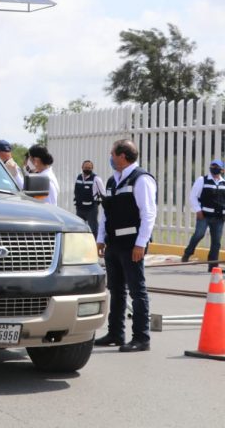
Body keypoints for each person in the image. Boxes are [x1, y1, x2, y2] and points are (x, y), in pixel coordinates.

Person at [95, 139, 157, 352]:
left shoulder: (141, 179)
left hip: (132, 245)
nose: (110, 157)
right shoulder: (113, 181)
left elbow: (148, 214)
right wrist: (100, 238)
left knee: (137, 291)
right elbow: (106, 213)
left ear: (122, 156)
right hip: (113, 244)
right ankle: (116, 333)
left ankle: (141, 338)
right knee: (116, 290)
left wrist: (141, 244)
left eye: (112, 153)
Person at [181, 159, 225, 272]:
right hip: (204, 215)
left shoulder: (223, 183)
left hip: (219, 217)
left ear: (222, 170)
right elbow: (193, 196)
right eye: (212, 166)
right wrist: (198, 210)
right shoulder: (202, 180)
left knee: (216, 242)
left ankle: (212, 265)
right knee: (199, 235)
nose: (214, 168)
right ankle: (188, 253)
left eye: (216, 166)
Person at [74, 160, 105, 238]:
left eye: (89, 168)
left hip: (91, 209)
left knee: (93, 228)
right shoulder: (79, 177)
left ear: (92, 168)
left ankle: (96, 245)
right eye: (86, 167)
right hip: (80, 208)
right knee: (79, 228)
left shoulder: (96, 179)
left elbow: (103, 194)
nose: (87, 169)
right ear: (82, 167)